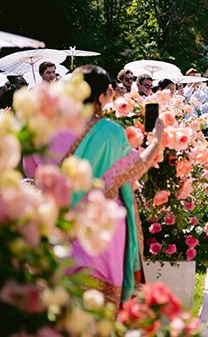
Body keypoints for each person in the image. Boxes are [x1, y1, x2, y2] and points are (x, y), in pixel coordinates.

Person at [67, 65, 164, 305]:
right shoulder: (109, 131)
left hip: (62, 224)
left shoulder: (54, 130)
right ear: (102, 96)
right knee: (103, 307)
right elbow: (134, 168)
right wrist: (156, 141)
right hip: (103, 226)